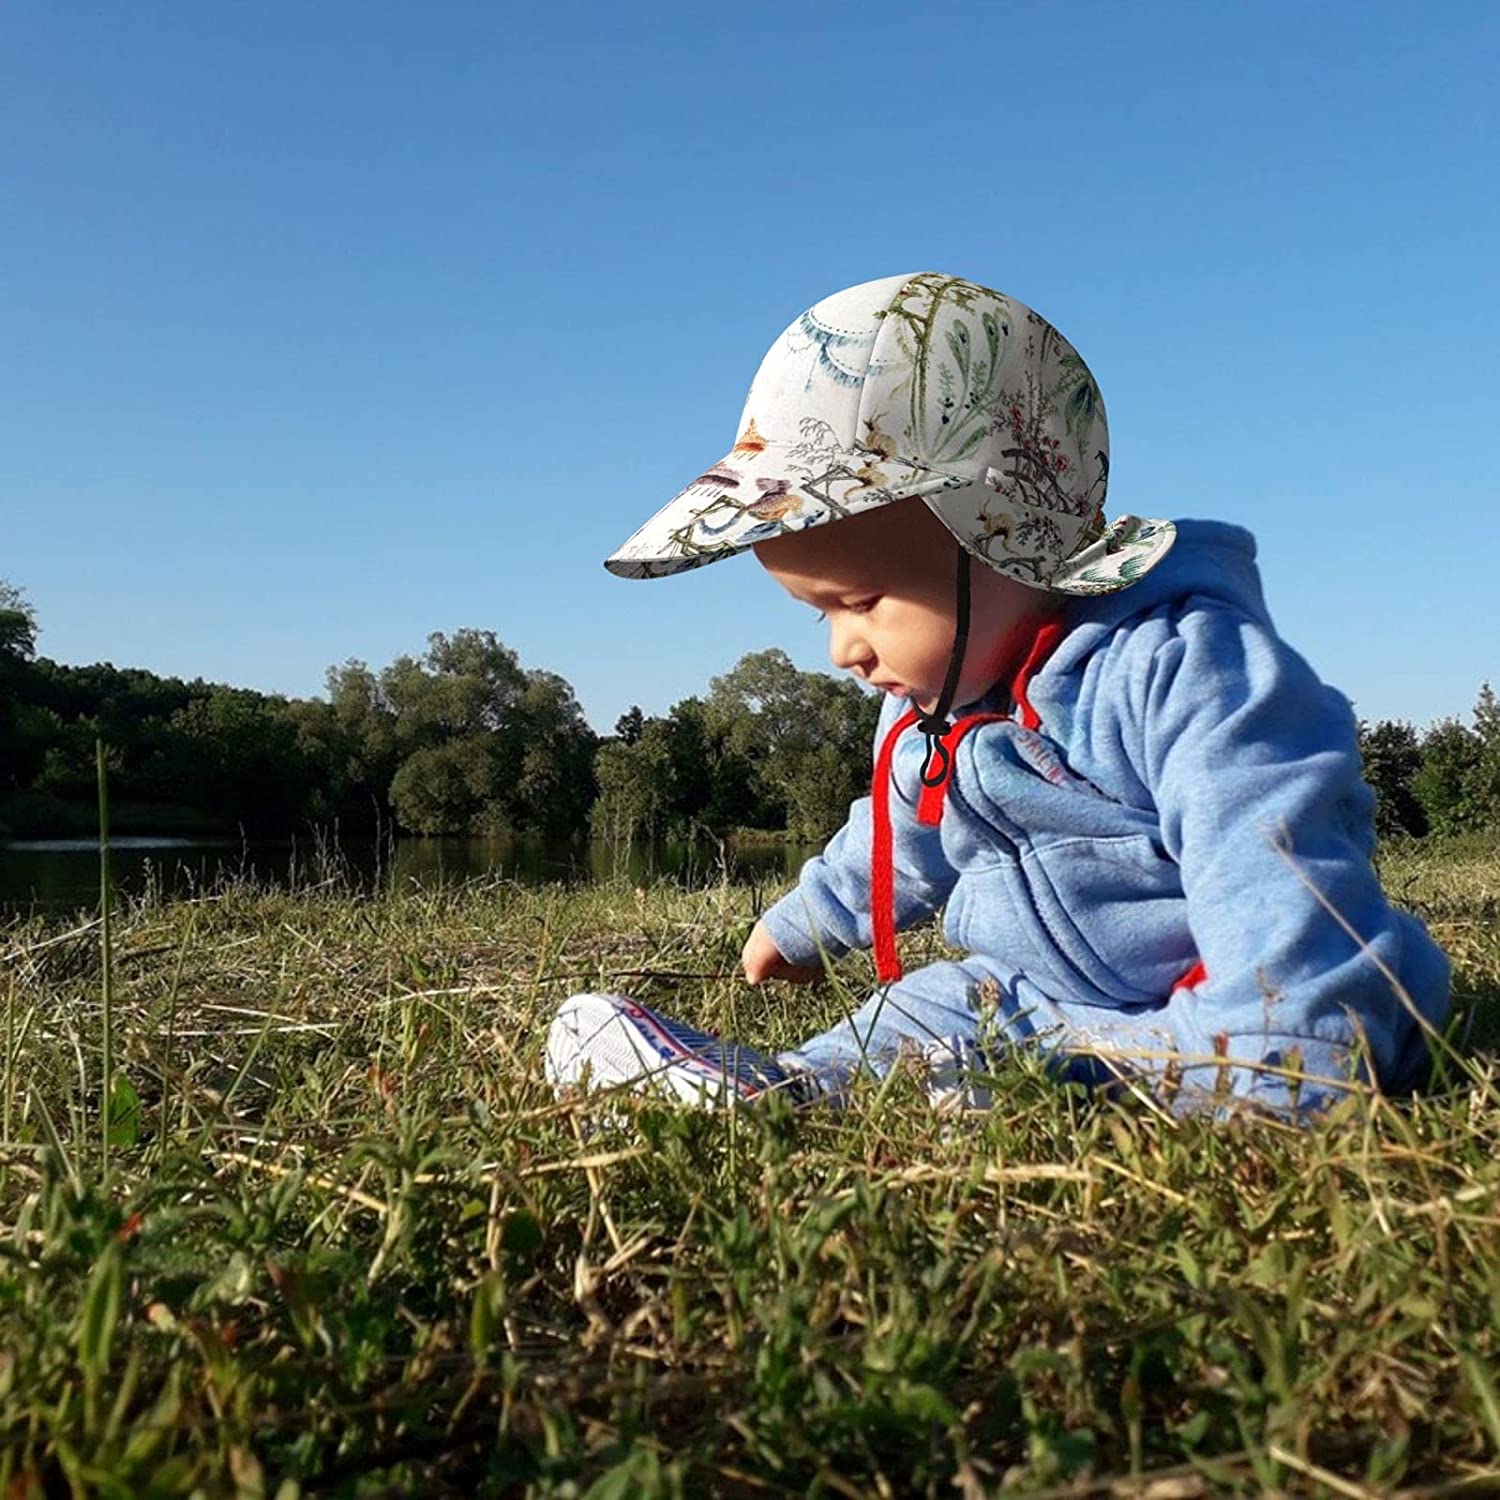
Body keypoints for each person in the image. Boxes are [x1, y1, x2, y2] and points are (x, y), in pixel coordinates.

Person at [545, 272, 1450, 1119]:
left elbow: (1266, 841)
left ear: (1002, 536)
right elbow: (897, 837)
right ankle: (783, 1087)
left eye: (859, 603)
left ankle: (1200, 1076)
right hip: (1043, 1001)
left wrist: (1286, 1027)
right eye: (816, 615)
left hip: (1231, 997)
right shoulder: (929, 710)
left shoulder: (1172, 665)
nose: (841, 650)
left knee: (1252, 1049)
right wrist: (808, 921)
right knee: (938, 1004)